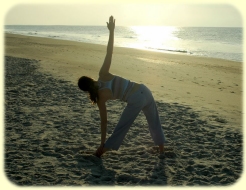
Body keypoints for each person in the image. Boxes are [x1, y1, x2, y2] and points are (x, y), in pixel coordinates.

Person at [78, 16, 166, 158]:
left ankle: (103, 150)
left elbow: (104, 122)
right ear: (90, 78)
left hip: (136, 99)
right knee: (154, 121)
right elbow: (109, 52)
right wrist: (112, 31)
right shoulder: (103, 74)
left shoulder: (99, 98)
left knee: (122, 126)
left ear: (86, 90)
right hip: (144, 89)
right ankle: (162, 150)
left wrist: (102, 142)